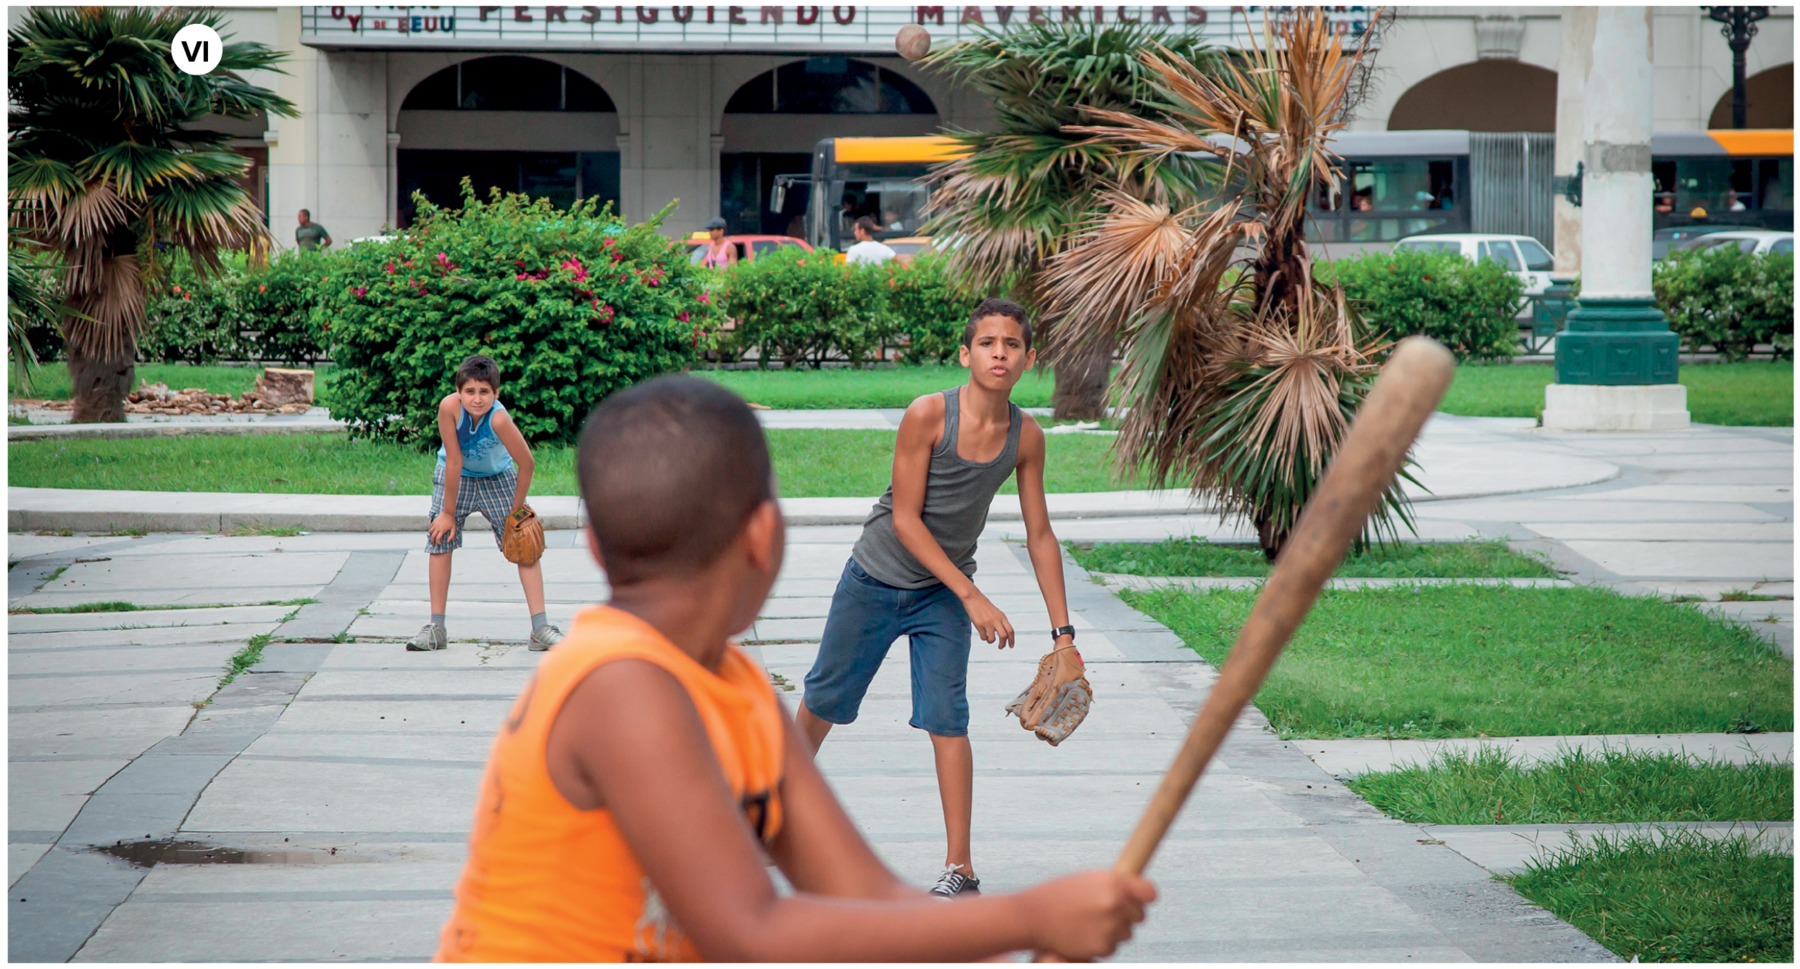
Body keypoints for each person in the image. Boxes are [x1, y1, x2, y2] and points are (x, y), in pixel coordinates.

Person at [435, 375, 1154, 962]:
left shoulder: (739, 690)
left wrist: (1031, 922)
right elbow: (749, 929)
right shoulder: (620, 689)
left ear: (592, 545)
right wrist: (1027, 919)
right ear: (764, 535)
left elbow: (863, 890)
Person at [796, 299, 1082, 898]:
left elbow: (1040, 534)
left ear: (1028, 359)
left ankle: (961, 869)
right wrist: (972, 595)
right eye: (986, 343)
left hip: (941, 598)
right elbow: (904, 519)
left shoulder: (1026, 436)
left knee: (948, 719)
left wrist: (1064, 636)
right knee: (823, 705)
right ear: (965, 354)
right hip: (874, 580)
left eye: (1011, 344)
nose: (998, 352)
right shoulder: (928, 415)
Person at [410, 355, 564, 653]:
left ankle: (540, 627)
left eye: (484, 392)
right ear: (458, 391)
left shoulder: (499, 419)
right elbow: (454, 460)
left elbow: (527, 463)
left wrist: (517, 514)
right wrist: (447, 513)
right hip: (456, 476)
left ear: (496, 393)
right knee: (440, 538)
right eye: (470, 391)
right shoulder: (448, 408)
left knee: (525, 545)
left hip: (498, 478)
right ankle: (436, 628)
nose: (477, 399)